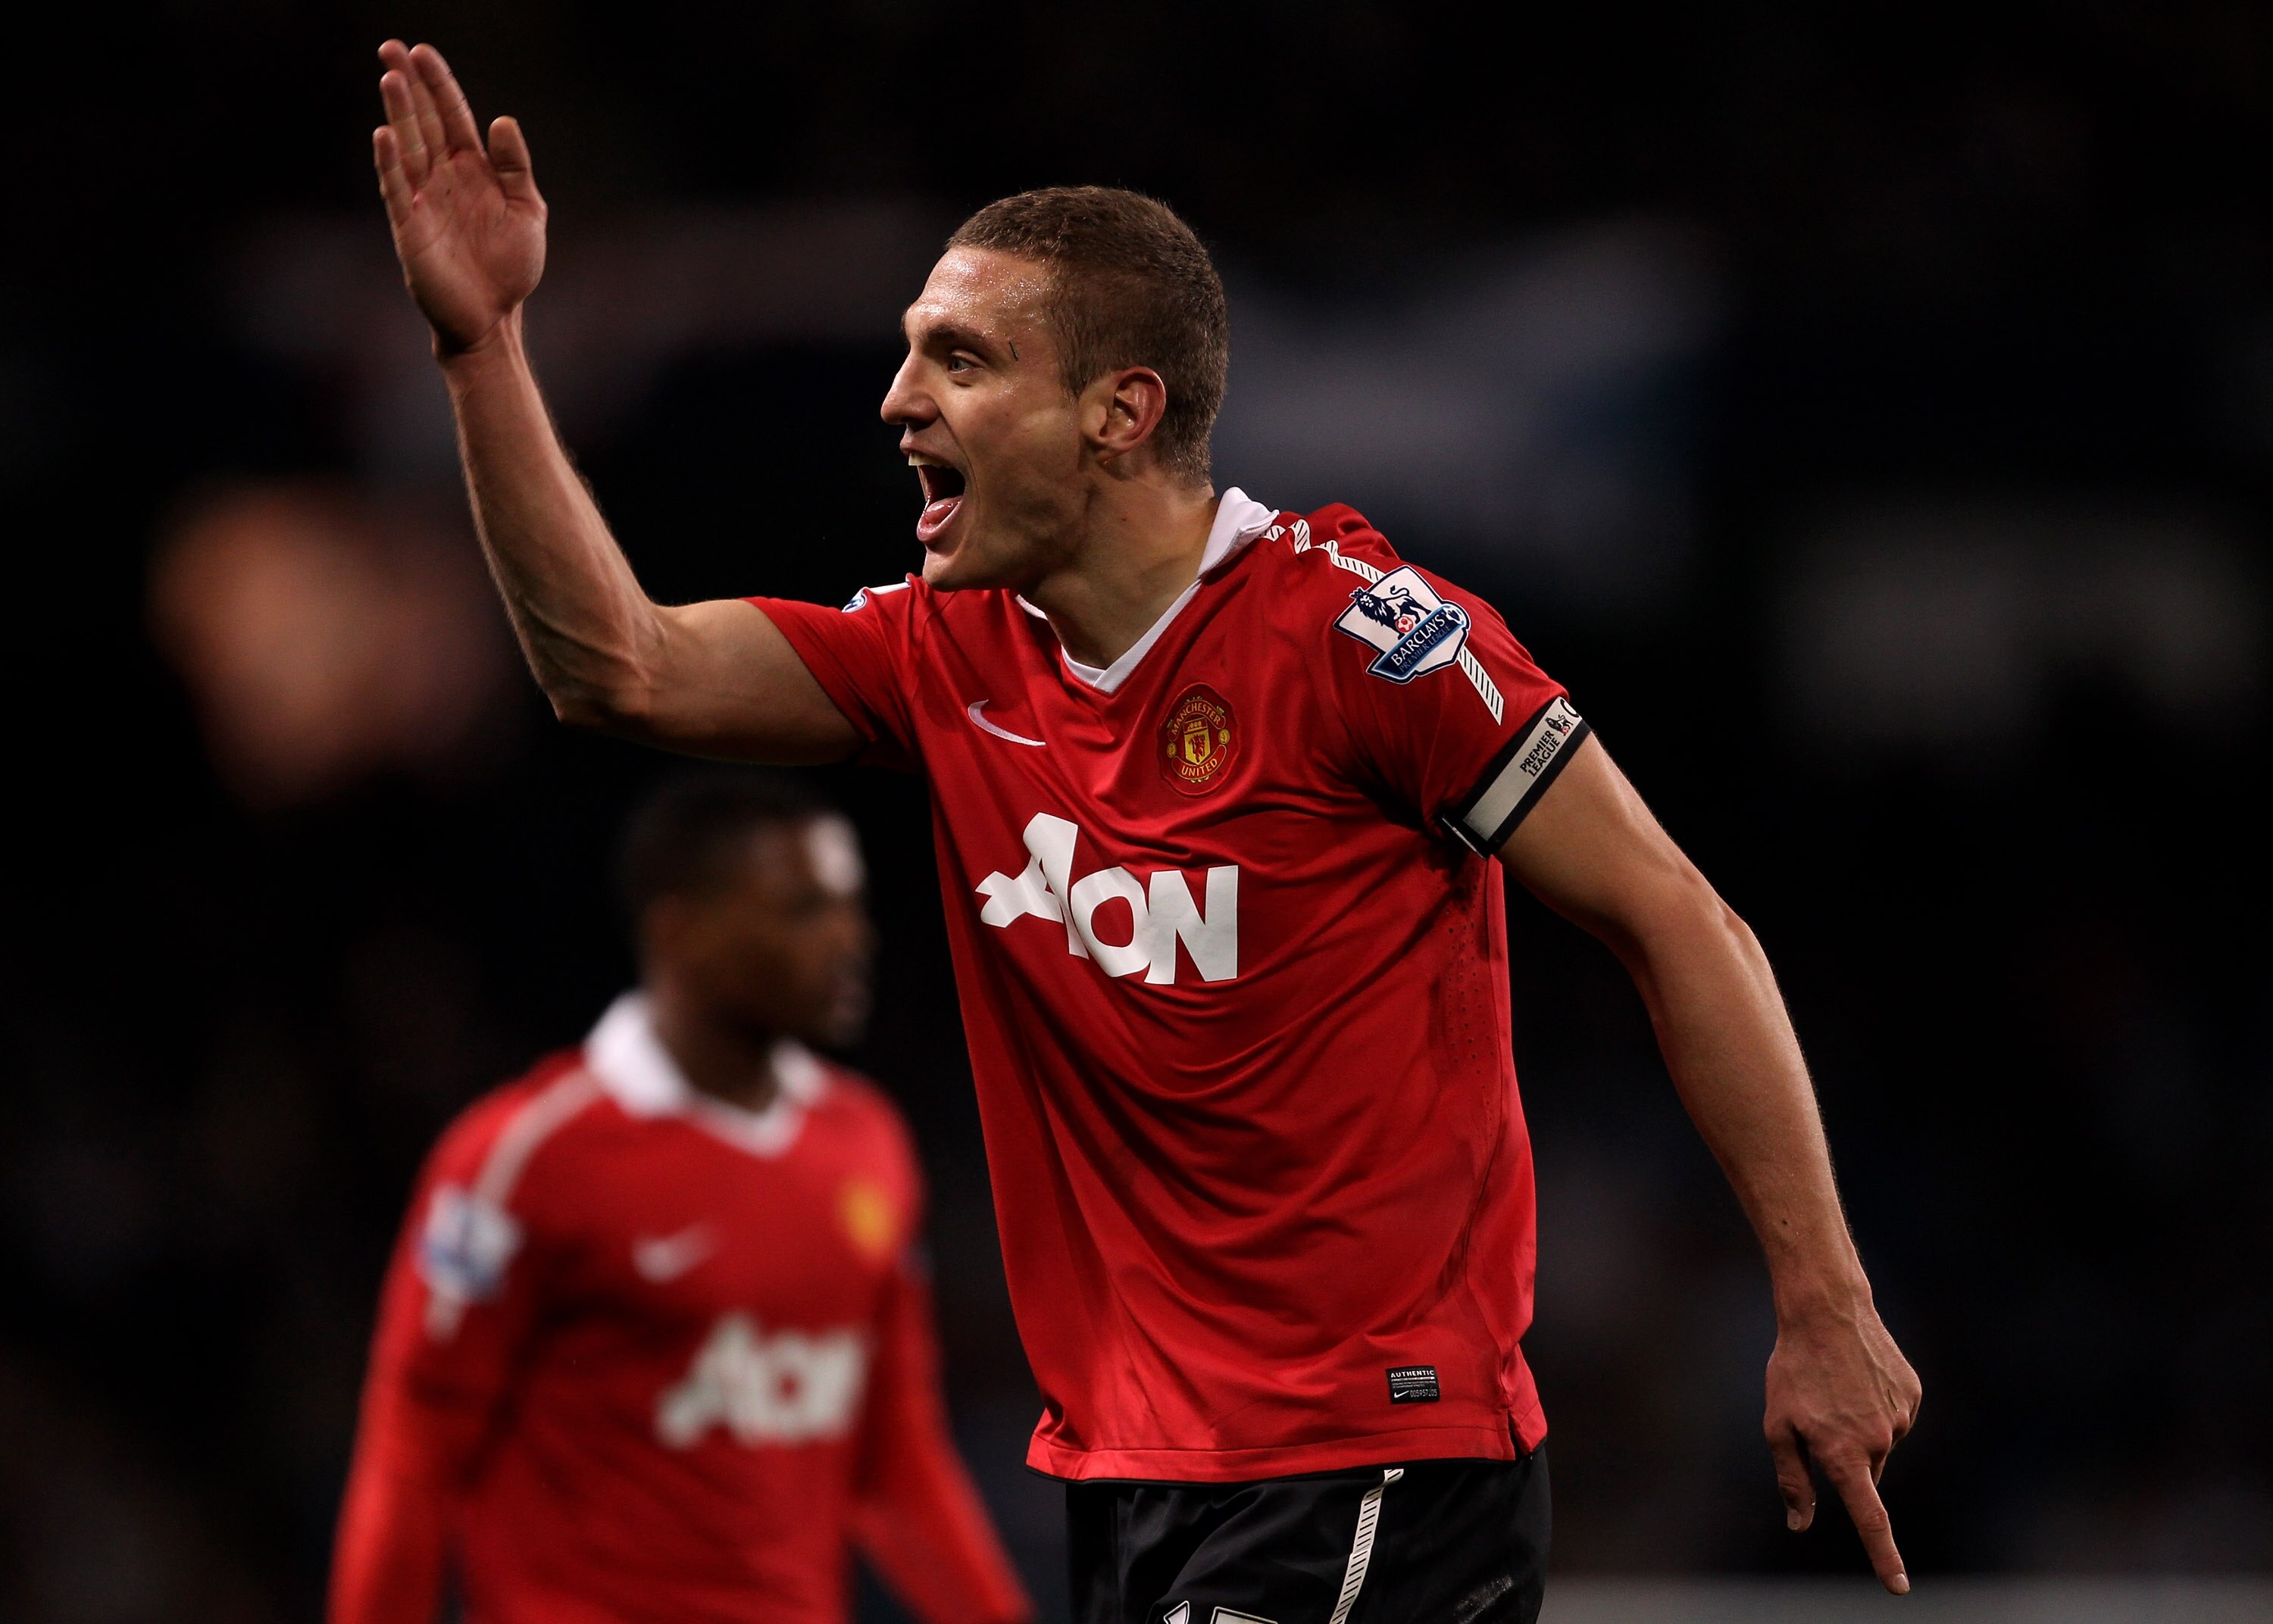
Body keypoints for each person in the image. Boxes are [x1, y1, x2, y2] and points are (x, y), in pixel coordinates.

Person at [370, 39, 1924, 1623]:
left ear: (1120, 410)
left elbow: (1681, 920)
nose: (899, 398)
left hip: (1373, 1461)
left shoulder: (1370, 646)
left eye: (960, 359)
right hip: (1129, 1475)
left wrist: (1823, 1300)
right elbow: (613, 667)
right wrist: (482, 345)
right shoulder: (945, 654)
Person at [329, 774, 1033, 1624]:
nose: (852, 939)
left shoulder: (866, 1143)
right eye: (804, 908)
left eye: (851, 904)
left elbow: (895, 1464)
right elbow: (413, 1455)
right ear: (682, 934)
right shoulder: (527, 1157)